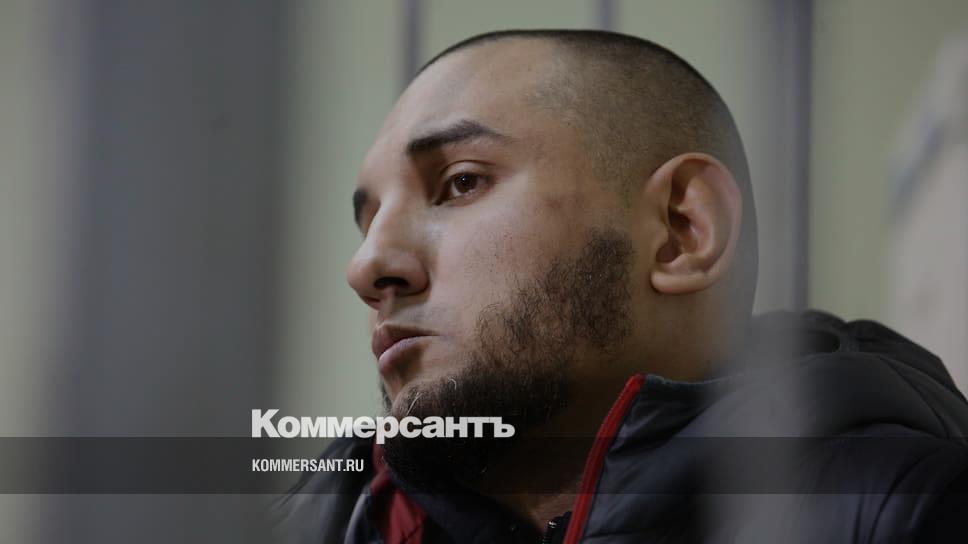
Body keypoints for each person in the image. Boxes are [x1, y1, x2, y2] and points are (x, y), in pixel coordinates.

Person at [272, 29, 968, 543]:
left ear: (681, 230)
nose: (367, 268)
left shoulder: (912, 514)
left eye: (460, 183)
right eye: (368, 221)